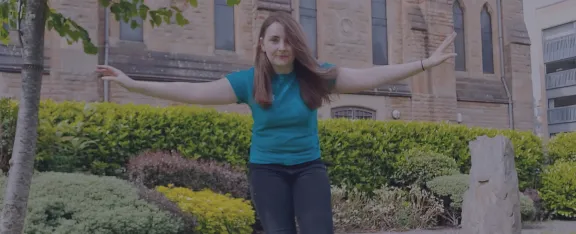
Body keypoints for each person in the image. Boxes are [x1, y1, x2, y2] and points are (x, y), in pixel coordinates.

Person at [96, 11, 456, 234]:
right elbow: (192, 91)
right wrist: (133, 83)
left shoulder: (317, 76)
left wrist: (424, 64)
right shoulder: (249, 82)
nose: (282, 47)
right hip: (266, 171)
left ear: (297, 44)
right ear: (262, 44)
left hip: (308, 169)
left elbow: (373, 75)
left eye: (288, 40)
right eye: (274, 40)